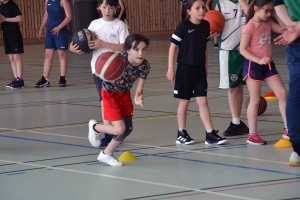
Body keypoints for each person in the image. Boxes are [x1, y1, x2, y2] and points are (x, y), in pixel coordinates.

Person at [167, 0, 228, 145]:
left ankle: (210, 134)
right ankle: (181, 133)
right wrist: (170, 68)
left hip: (199, 69)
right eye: (197, 8)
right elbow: (172, 47)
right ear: (189, 11)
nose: (202, 10)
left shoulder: (206, 25)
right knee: (184, 102)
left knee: (203, 101)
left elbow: (204, 47)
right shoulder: (183, 27)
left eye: (203, 7)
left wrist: (206, 65)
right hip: (184, 69)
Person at [70, 0, 129, 148]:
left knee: (116, 103)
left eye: (110, 7)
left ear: (116, 8)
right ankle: (109, 134)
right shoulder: (94, 25)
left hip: (117, 71)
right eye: (104, 7)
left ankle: (113, 130)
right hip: (99, 71)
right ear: (99, 8)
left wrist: (103, 44)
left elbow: (125, 47)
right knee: (105, 103)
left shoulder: (120, 25)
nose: (107, 10)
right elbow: (86, 45)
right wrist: (74, 49)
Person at [87, 34, 150, 167]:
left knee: (127, 129)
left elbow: (139, 88)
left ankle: (105, 154)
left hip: (124, 94)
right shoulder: (117, 60)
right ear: (128, 50)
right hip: (110, 94)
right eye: (136, 49)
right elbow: (102, 71)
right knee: (119, 129)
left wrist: (138, 97)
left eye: (143, 49)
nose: (141, 53)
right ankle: (95, 127)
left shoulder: (144, 66)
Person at [240, 0, 288, 145]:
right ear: (256, 8)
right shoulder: (250, 26)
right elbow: (242, 49)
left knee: (283, 94)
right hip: (253, 65)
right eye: (266, 11)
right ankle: (252, 135)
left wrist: (276, 14)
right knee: (255, 100)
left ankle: (288, 129)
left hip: (267, 65)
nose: (268, 14)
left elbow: (283, 29)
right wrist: (258, 60)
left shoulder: (267, 22)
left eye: (270, 11)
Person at [215, 0, 251, 137]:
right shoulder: (221, 2)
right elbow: (215, 22)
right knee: (232, 87)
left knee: (240, 86)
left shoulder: (248, 1)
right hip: (228, 51)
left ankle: (237, 122)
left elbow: (253, 16)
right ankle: (235, 122)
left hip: (246, 50)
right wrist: (213, 30)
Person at [273, 0, 300, 166]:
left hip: (294, 38)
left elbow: (278, 3)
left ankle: (297, 150)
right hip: (295, 35)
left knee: (295, 94)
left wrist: (292, 25)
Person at [34, 0, 72, 88]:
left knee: (61, 54)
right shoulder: (47, 1)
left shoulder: (63, 1)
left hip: (61, 31)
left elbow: (69, 17)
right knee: (48, 55)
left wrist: (59, 27)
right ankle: (45, 79)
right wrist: (41, 29)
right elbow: (46, 15)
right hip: (50, 31)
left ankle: (62, 78)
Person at [0, 0, 25, 89]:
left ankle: (20, 80)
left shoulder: (13, 5)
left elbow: (19, 18)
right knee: (11, 58)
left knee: (17, 57)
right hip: (6, 34)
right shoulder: (1, 7)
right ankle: (15, 79)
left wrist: (6, 19)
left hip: (14, 34)